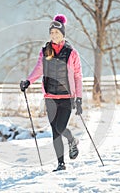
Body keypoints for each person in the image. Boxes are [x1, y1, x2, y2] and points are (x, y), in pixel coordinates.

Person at [20, 14, 83, 172]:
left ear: (63, 34)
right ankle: (61, 164)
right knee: (55, 132)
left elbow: (77, 76)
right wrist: (28, 81)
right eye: (52, 33)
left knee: (61, 127)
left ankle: (72, 140)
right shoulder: (45, 51)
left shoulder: (71, 53)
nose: (54, 35)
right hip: (50, 97)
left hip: (67, 97)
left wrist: (79, 98)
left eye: (57, 32)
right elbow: (39, 68)